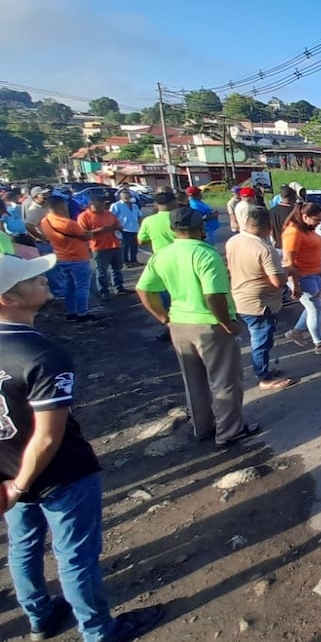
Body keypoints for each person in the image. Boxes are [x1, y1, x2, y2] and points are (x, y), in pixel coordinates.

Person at [0, 252, 165, 642]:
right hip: (58, 473)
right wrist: (22, 484)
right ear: (8, 298)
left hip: (7, 474)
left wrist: (11, 484)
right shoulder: (42, 354)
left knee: (23, 547)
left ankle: (39, 616)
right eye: (32, 278)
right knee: (74, 556)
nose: (45, 278)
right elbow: (47, 435)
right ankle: (99, 630)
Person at [136, 207, 260, 448]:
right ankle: (229, 431)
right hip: (210, 325)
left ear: (173, 230)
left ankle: (202, 427)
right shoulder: (206, 255)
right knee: (224, 380)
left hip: (178, 323)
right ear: (201, 228)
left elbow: (144, 289)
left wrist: (163, 318)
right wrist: (228, 323)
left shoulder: (161, 255)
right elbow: (213, 295)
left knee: (193, 380)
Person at [226, 207, 294, 391]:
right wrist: (288, 270)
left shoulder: (234, 240)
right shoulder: (264, 249)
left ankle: (262, 369)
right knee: (261, 339)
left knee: (259, 336)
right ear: (269, 227)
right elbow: (277, 282)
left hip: (240, 297)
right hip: (260, 303)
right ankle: (263, 376)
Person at [281, 202, 321, 355]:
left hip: (313, 274)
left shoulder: (307, 229)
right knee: (314, 308)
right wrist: (295, 285)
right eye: (317, 220)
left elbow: (312, 253)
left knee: (315, 306)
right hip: (303, 276)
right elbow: (289, 263)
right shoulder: (293, 232)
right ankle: (319, 344)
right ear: (305, 216)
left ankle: (296, 331)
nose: (318, 223)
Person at [41, 196, 94, 323]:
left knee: (69, 287)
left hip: (61, 257)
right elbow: (85, 236)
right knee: (82, 287)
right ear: (60, 206)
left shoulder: (45, 221)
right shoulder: (69, 224)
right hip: (77, 257)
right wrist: (90, 233)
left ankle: (71, 312)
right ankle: (83, 313)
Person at [77, 196, 125, 299]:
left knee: (117, 269)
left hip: (114, 244)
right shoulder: (84, 216)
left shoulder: (108, 213)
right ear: (92, 205)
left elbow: (119, 225)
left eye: (103, 205)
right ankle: (103, 291)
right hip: (99, 247)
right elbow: (82, 233)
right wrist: (99, 230)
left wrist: (114, 228)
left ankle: (119, 287)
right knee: (102, 271)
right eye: (99, 205)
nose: (102, 207)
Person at [109, 188, 142, 267]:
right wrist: (116, 227)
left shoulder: (134, 206)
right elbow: (111, 217)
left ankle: (134, 261)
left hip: (135, 229)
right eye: (125, 197)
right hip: (124, 229)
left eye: (129, 197)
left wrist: (140, 225)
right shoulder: (116, 205)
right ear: (121, 197)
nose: (128, 199)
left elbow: (139, 216)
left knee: (134, 246)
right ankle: (125, 262)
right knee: (125, 247)